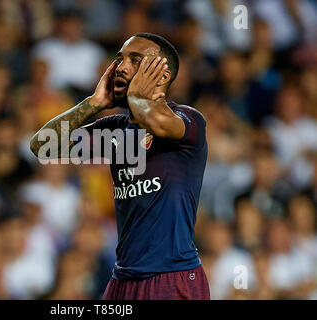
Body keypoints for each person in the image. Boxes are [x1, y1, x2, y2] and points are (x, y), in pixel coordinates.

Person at [30, 33, 209, 300]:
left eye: (135, 60)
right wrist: (94, 103)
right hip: (123, 279)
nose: (121, 67)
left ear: (162, 74)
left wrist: (138, 96)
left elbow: (158, 123)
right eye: (119, 59)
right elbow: (42, 146)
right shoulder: (114, 131)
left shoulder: (188, 120)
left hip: (172, 278)